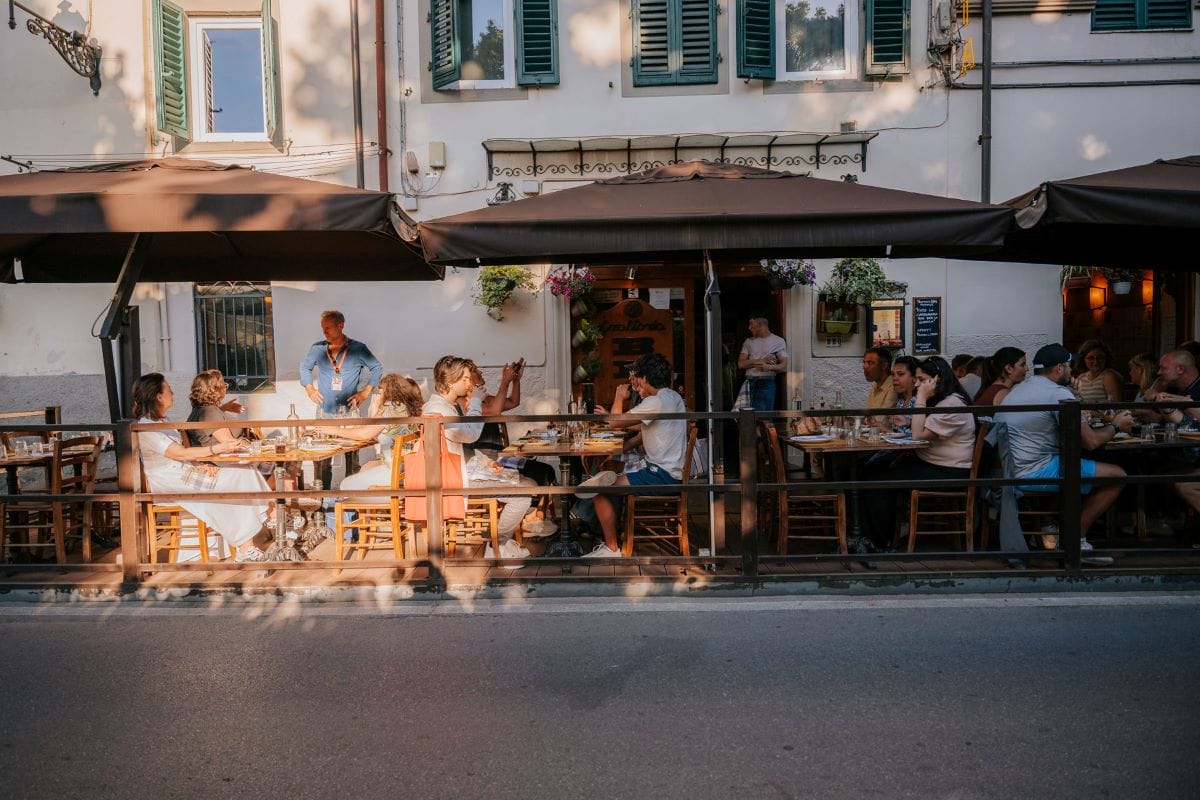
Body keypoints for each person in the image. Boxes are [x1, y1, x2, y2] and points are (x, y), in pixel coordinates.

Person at [994, 344, 1133, 557]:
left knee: (1067, 462)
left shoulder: (1020, 389)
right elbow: (1091, 442)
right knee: (1118, 475)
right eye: (1069, 366)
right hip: (1032, 471)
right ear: (1059, 369)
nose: (1072, 371)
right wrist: (1116, 425)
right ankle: (1076, 539)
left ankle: (1051, 529)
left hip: (1012, 469)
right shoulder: (1056, 394)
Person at [132, 373, 271, 563]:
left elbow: (183, 454)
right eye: (169, 390)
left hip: (184, 473)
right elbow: (178, 454)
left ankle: (257, 531)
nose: (173, 393)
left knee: (243, 472)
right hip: (170, 481)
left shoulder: (161, 422)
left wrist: (200, 465)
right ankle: (251, 540)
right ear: (159, 397)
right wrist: (217, 448)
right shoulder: (146, 428)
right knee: (232, 483)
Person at [422, 356, 534, 562]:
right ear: (449, 383)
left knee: (528, 483)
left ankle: (500, 542)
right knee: (525, 493)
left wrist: (486, 462)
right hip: (454, 478)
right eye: (464, 379)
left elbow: (464, 446)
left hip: (464, 470)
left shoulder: (449, 405)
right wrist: (475, 402)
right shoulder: (437, 410)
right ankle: (497, 544)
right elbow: (470, 435)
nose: (469, 383)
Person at [860, 356, 977, 552]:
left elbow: (917, 436)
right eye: (918, 380)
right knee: (872, 471)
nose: (918, 384)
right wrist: (907, 421)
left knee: (877, 481)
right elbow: (925, 430)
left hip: (949, 472)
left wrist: (920, 397)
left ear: (936, 380)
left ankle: (877, 542)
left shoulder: (951, 404)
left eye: (922, 380)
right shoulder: (944, 401)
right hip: (932, 464)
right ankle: (872, 537)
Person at [585, 352, 688, 558]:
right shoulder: (671, 396)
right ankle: (608, 527)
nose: (635, 384)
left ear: (645, 378)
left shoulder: (656, 402)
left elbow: (614, 425)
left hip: (661, 475)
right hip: (668, 471)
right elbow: (641, 431)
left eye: (637, 378)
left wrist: (618, 398)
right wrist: (619, 449)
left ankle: (611, 548)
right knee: (609, 468)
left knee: (597, 489)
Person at [459, 359, 558, 536]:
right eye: (476, 371)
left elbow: (513, 402)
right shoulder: (467, 404)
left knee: (546, 470)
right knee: (539, 473)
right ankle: (528, 520)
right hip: (487, 460)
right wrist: (504, 381)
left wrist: (515, 380)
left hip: (500, 456)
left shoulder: (485, 399)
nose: (481, 373)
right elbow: (495, 411)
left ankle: (536, 516)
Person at [300, 309, 383, 488]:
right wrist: (309, 389)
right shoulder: (317, 349)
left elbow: (377, 368)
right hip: (324, 412)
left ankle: (351, 499)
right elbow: (304, 368)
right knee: (322, 460)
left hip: (349, 413)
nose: (325, 332)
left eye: (328, 328)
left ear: (341, 325)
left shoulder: (358, 348)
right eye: (323, 329)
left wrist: (365, 392)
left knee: (351, 460)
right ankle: (323, 501)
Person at [337, 373, 425, 496]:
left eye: (380, 392)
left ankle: (362, 510)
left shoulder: (389, 410)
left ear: (388, 392)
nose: (379, 395)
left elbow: (365, 434)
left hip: (391, 471)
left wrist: (331, 430)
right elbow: (378, 432)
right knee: (366, 467)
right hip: (404, 468)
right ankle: (369, 512)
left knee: (344, 486)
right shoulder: (404, 408)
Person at [185, 369, 278, 483]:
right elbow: (230, 444)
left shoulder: (201, 410)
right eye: (224, 384)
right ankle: (273, 496)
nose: (226, 387)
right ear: (215, 390)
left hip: (223, 458)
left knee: (275, 455)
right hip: (226, 461)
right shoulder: (210, 412)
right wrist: (256, 444)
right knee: (279, 462)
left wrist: (223, 408)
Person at [737, 314, 788, 410]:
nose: (749, 327)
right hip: (749, 382)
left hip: (766, 382)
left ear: (760, 324)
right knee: (746, 418)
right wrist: (762, 360)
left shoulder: (778, 341)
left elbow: (784, 366)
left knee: (764, 419)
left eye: (751, 324)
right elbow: (741, 364)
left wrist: (768, 367)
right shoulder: (748, 341)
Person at [1073, 339, 1123, 405]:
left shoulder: (1109, 376)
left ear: (1106, 358)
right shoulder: (1081, 377)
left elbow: (1115, 407)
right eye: (1091, 358)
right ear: (1084, 359)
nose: (1096, 362)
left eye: (1100, 357)